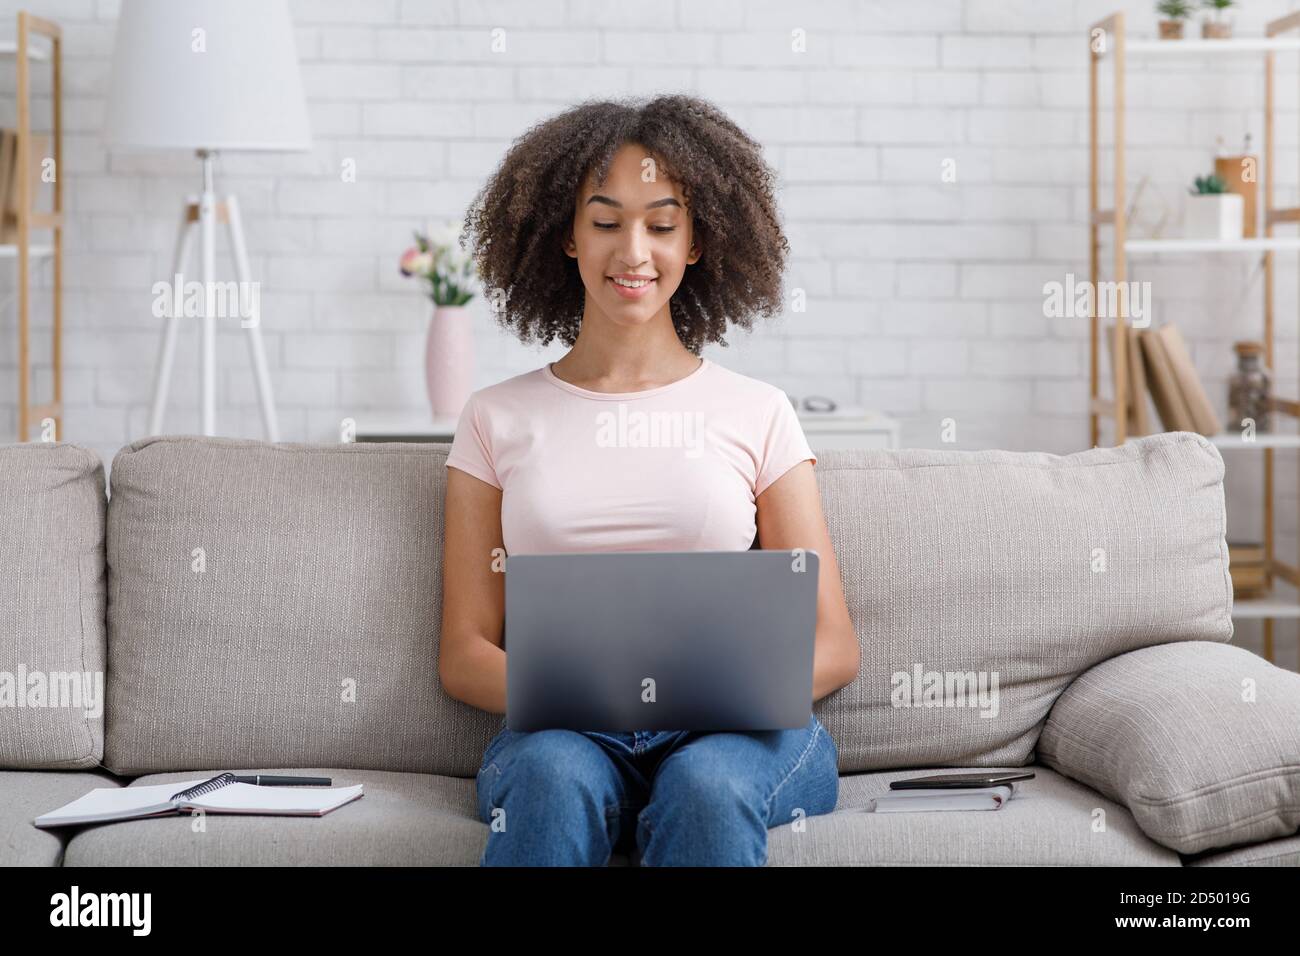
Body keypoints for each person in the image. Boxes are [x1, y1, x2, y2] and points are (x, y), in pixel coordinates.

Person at [439, 94, 860, 866]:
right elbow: (465, 651)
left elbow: (833, 643)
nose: (633, 251)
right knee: (551, 778)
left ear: (698, 242)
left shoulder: (758, 412)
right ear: (566, 236)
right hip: (563, 733)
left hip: (736, 736)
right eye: (605, 221)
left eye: (662, 224)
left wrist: (697, 696)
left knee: (705, 788)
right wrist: (607, 695)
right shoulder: (494, 418)